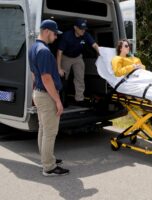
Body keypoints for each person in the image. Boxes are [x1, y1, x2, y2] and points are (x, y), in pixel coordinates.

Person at [29, 19, 69, 176]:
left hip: (39, 92)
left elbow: (34, 73)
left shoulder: (34, 48)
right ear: (46, 31)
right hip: (47, 95)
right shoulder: (44, 51)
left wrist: (35, 91)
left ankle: (46, 158)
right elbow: (46, 78)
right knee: (50, 132)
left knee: (43, 128)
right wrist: (58, 100)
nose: (56, 37)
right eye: (54, 33)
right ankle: (49, 167)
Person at [56, 18, 100, 105]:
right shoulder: (67, 36)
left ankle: (79, 99)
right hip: (66, 57)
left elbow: (94, 45)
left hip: (78, 57)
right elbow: (59, 52)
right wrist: (59, 68)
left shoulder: (86, 35)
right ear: (75, 27)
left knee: (80, 78)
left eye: (84, 29)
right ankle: (60, 99)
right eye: (81, 28)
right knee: (63, 78)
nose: (83, 30)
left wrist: (102, 54)